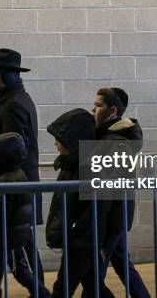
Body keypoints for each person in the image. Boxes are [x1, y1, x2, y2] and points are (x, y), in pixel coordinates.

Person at [0, 48, 45, 293]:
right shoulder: (13, 101)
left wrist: (2, 191)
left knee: (13, 250)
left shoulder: (13, 105)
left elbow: (14, 152)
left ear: (7, 76)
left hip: (12, 190)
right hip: (12, 188)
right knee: (13, 248)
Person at [89, 88, 150, 298]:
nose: (93, 109)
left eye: (98, 106)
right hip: (114, 216)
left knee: (94, 273)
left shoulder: (118, 142)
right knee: (122, 264)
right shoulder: (109, 137)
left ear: (113, 110)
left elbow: (112, 183)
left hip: (111, 217)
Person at [46, 108, 114, 298]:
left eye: (60, 139)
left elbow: (100, 203)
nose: (55, 143)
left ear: (74, 140)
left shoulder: (88, 166)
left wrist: (77, 230)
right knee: (95, 288)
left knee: (62, 289)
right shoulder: (69, 164)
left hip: (81, 241)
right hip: (78, 239)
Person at [0, 132, 52, 298]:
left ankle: (44, 295)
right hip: (14, 235)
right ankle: (43, 294)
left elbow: (1, 211)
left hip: (5, 236)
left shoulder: (5, 181)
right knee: (19, 271)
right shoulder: (19, 174)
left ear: (4, 156)